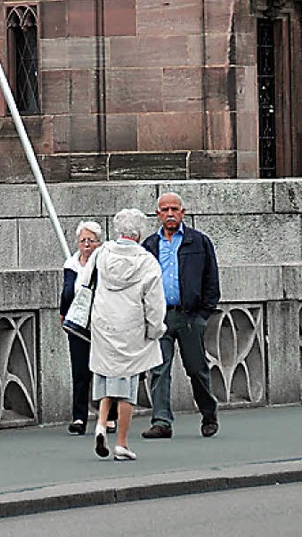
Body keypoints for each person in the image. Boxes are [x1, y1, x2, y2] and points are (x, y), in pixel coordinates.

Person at [88, 209, 166, 461]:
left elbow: (83, 282)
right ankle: (121, 443)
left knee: (107, 376)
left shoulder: (102, 253)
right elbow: (155, 304)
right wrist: (155, 330)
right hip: (131, 328)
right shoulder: (147, 262)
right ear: (140, 233)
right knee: (127, 387)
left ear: (117, 230)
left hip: (103, 325)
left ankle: (101, 424)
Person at [141, 191, 220, 439]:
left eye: (174, 209)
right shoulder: (150, 245)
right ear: (158, 215)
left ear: (183, 213)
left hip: (189, 316)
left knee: (196, 368)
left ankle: (209, 414)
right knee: (159, 369)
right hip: (159, 316)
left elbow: (211, 279)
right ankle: (161, 421)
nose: (170, 214)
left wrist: (202, 314)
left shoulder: (199, 241)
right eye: (165, 210)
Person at [60, 220, 117, 436]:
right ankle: (79, 417)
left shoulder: (104, 262)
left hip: (102, 323)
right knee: (80, 371)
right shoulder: (71, 264)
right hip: (78, 323)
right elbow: (66, 291)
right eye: (83, 240)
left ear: (98, 242)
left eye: (91, 240)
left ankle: (110, 417)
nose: (86, 244)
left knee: (105, 370)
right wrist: (63, 313)